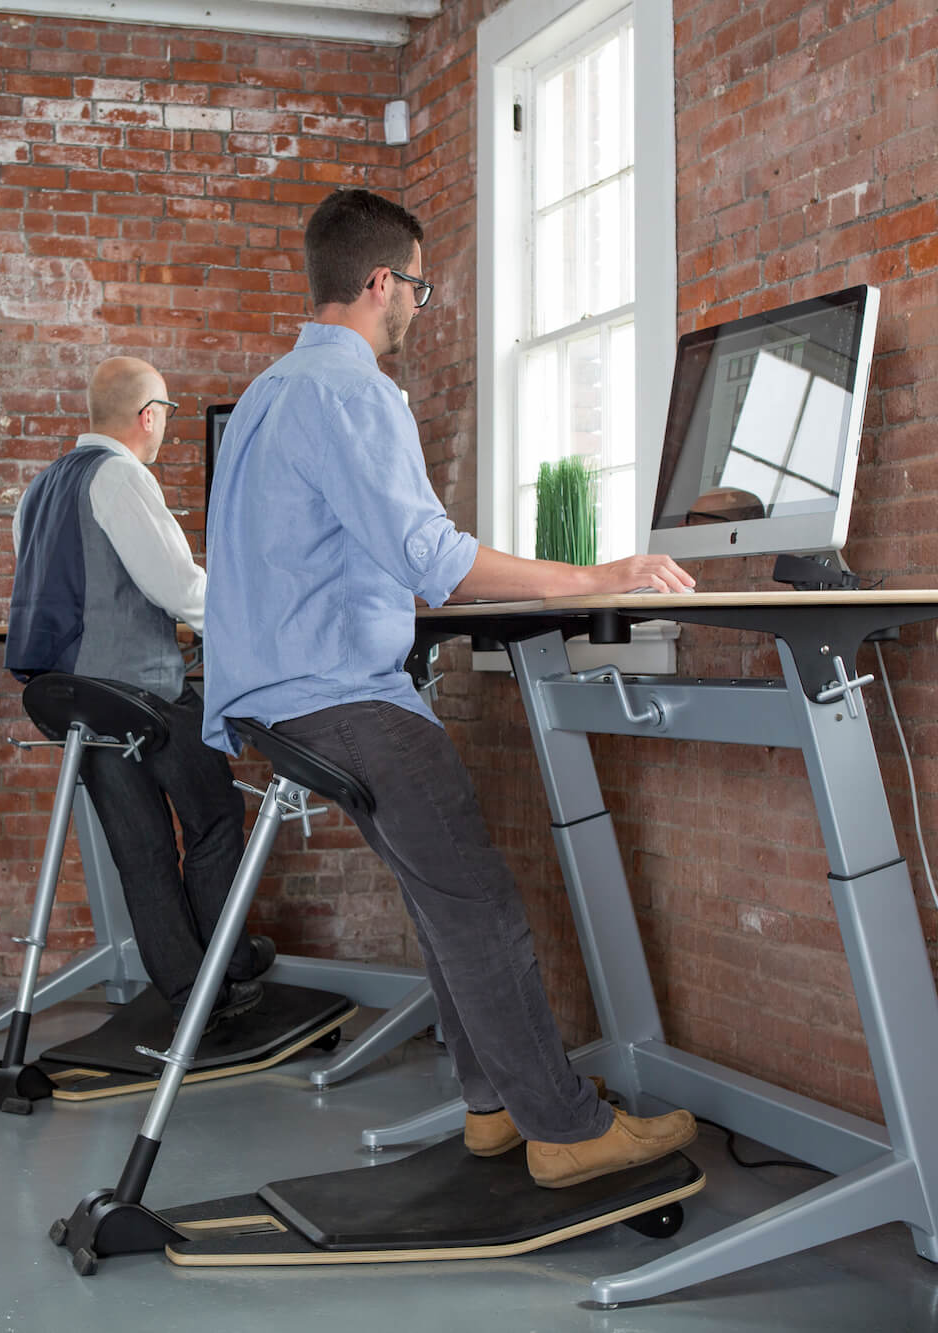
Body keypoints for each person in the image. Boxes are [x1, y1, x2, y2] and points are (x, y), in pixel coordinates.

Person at [202, 189, 699, 1189]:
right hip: (345, 692)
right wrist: (598, 577)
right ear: (381, 281)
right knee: (481, 908)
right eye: (417, 287)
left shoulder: (266, 391)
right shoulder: (354, 391)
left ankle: (490, 1109)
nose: (418, 307)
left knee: (444, 904)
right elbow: (435, 557)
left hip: (278, 692)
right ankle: (561, 1128)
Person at [7, 356, 272, 1025]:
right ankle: (229, 961)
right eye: (167, 416)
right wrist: (255, 630)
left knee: (143, 850)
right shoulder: (122, 476)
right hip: (144, 694)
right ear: (148, 415)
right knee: (214, 815)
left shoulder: (40, 487)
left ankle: (189, 995)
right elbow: (177, 585)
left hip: (77, 704)